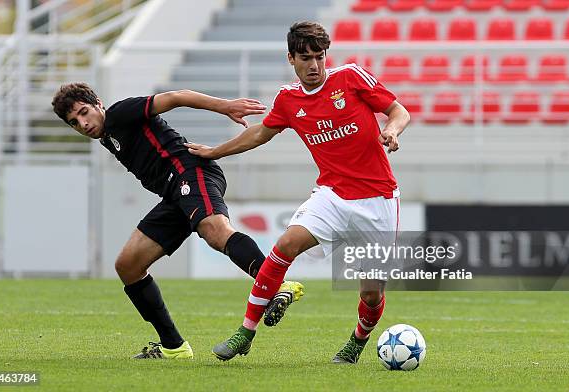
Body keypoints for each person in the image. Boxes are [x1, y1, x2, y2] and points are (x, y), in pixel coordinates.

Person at [186, 21, 410, 363]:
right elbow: (261, 133)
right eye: (305, 58)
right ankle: (245, 332)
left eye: (319, 56)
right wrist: (216, 151)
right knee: (285, 245)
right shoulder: (289, 99)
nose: (314, 65)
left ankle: (357, 341)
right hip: (332, 194)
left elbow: (398, 110)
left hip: (377, 199)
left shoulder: (350, 77)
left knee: (370, 293)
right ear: (291, 58)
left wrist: (391, 130)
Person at [51, 83, 304, 359]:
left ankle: (277, 284)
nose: (83, 123)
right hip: (173, 195)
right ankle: (174, 347)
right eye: (74, 122)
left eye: (85, 113)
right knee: (128, 265)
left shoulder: (119, 113)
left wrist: (225, 106)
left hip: (190, 171)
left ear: (98, 103)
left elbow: (176, 97)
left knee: (215, 231)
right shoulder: (108, 135)